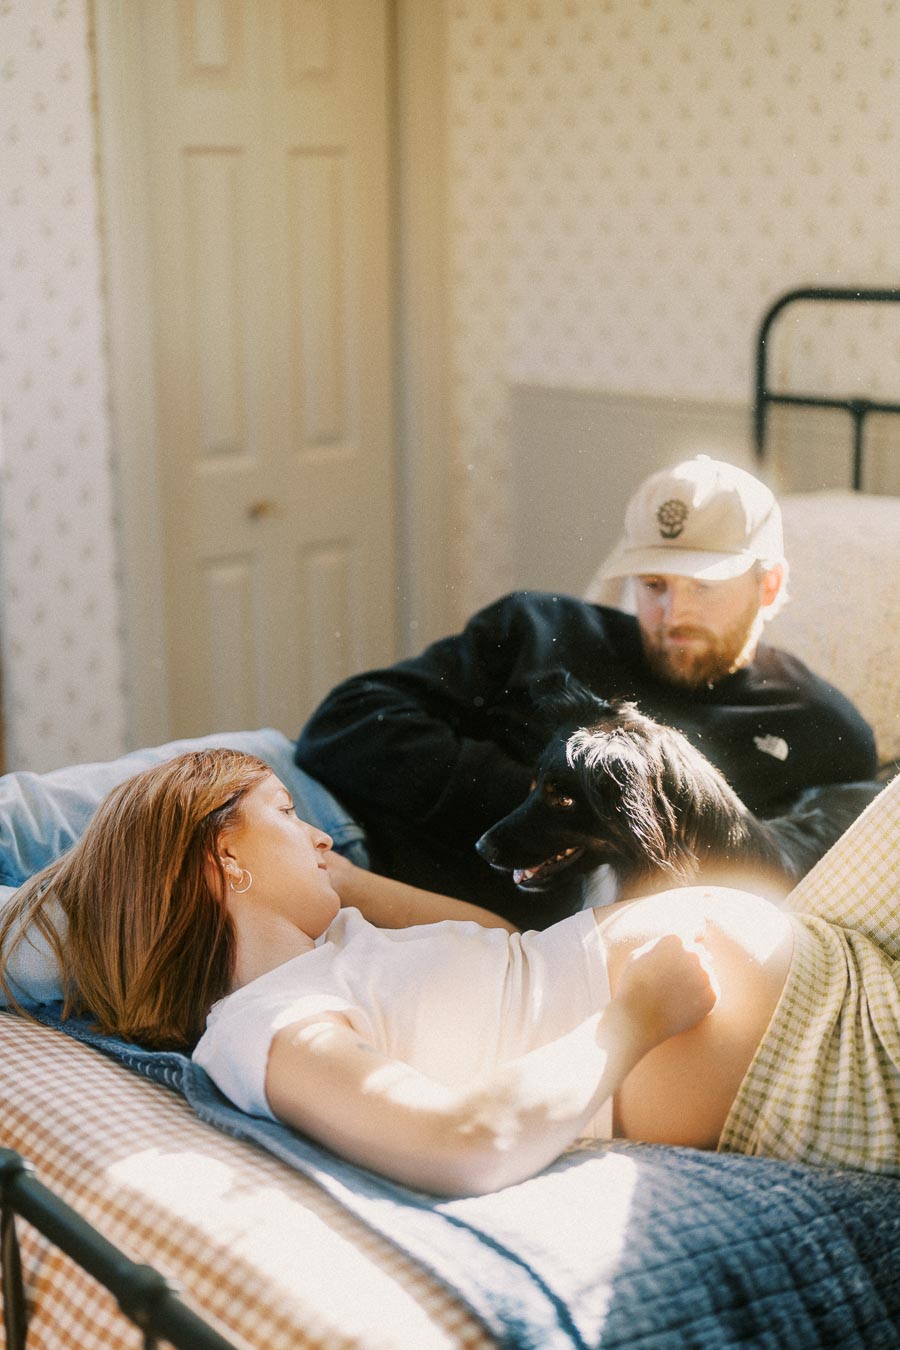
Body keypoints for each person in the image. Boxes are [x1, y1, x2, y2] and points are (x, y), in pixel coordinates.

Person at [1, 750, 896, 1197]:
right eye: (286, 812)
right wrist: (635, 1016)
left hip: (834, 949)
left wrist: (321, 879)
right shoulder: (266, 1025)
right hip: (821, 1054)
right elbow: (465, 1140)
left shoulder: (336, 943)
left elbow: (497, 941)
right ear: (221, 855)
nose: (321, 835)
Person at [295, 455, 878, 927]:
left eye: (704, 586)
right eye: (653, 584)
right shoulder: (539, 627)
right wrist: (535, 794)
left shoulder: (819, 729)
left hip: (461, 923)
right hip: (345, 829)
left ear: (769, 586)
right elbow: (342, 721)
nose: (673, 613)